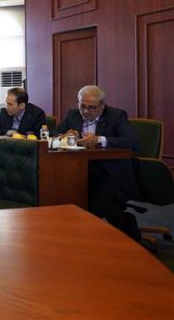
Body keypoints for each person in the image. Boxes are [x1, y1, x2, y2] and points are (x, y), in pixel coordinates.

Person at [54, 85, 141, 241]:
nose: (86, 111)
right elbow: (54, 132)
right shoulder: (73, 115)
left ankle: (99, 235)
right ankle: (123, 224)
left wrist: (100, 140)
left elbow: (133, 141)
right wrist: (65, 134)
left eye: (92, 108)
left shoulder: (116, 116)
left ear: (102, 106)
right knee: (67, 195)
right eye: (82, 106)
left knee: (95, 206)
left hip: (111, 170)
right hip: (82, 168)